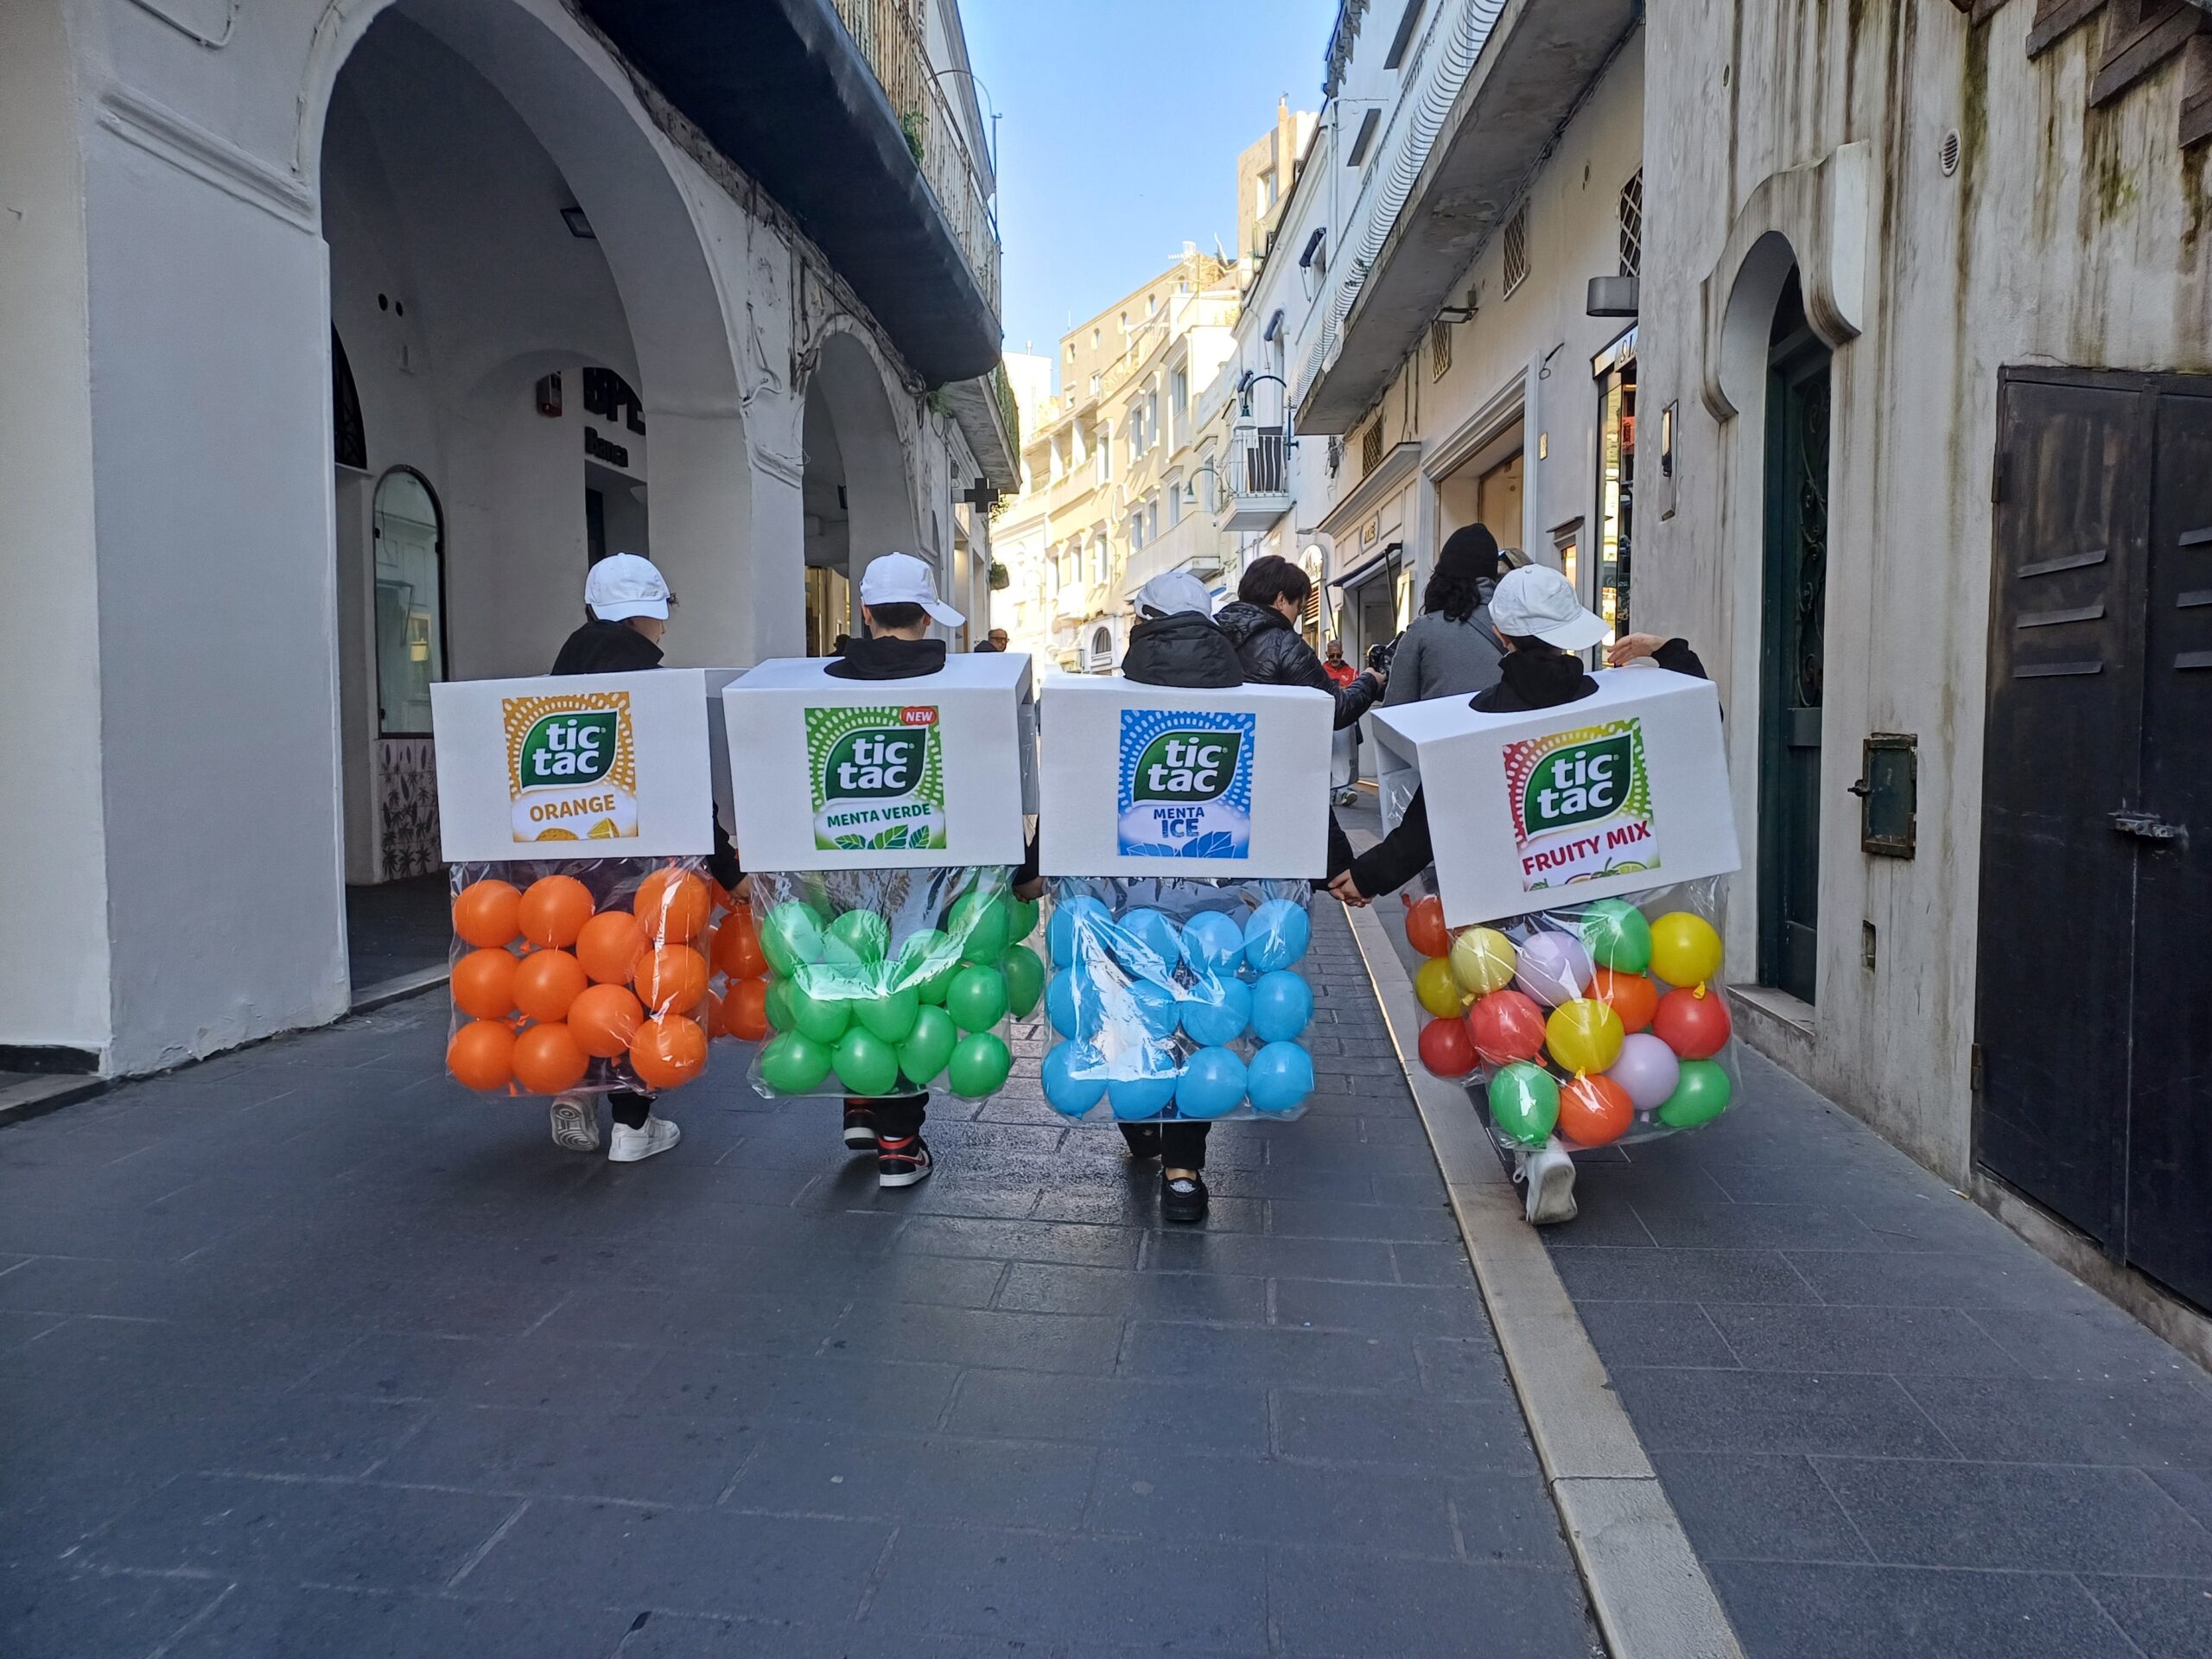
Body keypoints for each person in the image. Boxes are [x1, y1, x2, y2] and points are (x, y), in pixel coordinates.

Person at [1327, 563, 1707, 1224]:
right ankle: (1604, 1101)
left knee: (1510, 1023)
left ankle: (1541, 1145)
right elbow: (1698, 710)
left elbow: (1426, 827)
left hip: (1504, 912)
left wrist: (1365, 877)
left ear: (1500, 635)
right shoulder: (1611, 702)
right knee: (1592, 1013)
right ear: (1569, 636)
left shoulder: (1474, 724)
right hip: (1604, 911)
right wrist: (1661, 648)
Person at [827, 553, 1043, 1187]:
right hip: (937, 879)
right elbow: (1013, 785)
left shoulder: (816, 687)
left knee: (860, 983)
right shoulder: (970, 689)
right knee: (914, 998)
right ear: (927, 616)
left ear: (865, 612)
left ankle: (862, 1105)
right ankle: (899, 1142)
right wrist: (1028, 867)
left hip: (844, 872)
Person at [546, 552, 742, 1163]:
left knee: (579, 979)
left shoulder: (549, 688)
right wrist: (728, 870)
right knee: (649, 984)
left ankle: (577, 1088)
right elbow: (686, 793)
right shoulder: (656, 689)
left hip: (563, 870)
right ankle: (633, 1127)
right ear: (646, 618)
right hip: (644, 871)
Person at [1113, 572, 1246, 1222]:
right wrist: (1336, 867)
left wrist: (1033, 867)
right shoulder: (1254, 702)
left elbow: (1076, 782)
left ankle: (1140, 1122)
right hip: (1216, 904)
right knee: (1203, 1020)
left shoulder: (1110, 700)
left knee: (1138, 1009)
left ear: (1142, 621)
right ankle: (1184, 1170)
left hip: (1125, 898)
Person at [1214, 556, 1383, 879]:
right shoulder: (1285, 644)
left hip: (1220, 780)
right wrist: (1371, 682)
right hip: (1280, 784)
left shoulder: (1212, 636)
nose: (1297, 616)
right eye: (1298, 607)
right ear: (1280, 600)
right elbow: (1335, 709)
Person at [1322, 639, 1361, 806]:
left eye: (1338, 655)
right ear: (1327, 655)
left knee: (1347, 757)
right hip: (1327, 722)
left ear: (1342, 654)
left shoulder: (1352, 673)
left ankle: (1346, 790)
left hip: (1347, 722)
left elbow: (1359, 693)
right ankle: (1329, 792)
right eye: (1332, 656)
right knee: (1329, 758)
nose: (1335, 658)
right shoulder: (1320, 671)